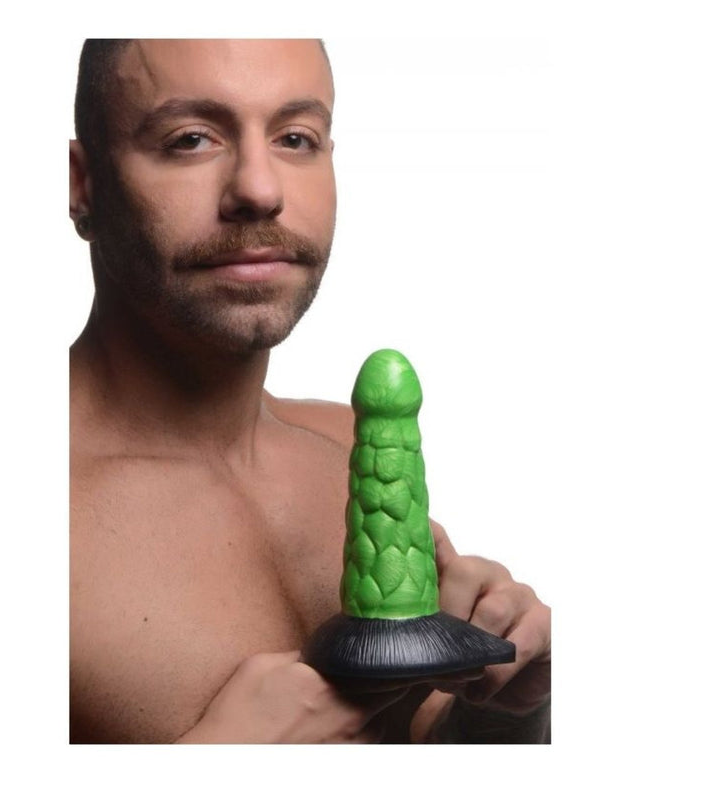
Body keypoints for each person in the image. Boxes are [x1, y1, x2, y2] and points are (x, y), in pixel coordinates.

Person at [69, 38, 551, 744]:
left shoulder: (344, 452)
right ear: (83, 183)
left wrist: (508, 709)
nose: (261, 190)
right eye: (191, 139)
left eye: (295, 138)